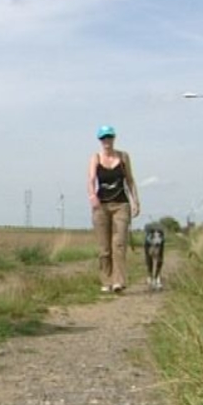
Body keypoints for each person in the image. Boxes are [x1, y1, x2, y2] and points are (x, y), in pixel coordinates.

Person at [87, 125, 140, 293]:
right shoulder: (95, 157)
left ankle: (119, 281)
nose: (106, 141)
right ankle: (106, 280)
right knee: (104, 248)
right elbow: (90, 180)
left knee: (119, 244)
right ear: (100, 140)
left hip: (121, 205)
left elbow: (130, 180)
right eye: (103, 138)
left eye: (109, 137)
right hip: (101, 206)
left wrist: (135, 202)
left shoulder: (123, 157)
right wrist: (92, 196)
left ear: (114, 138)